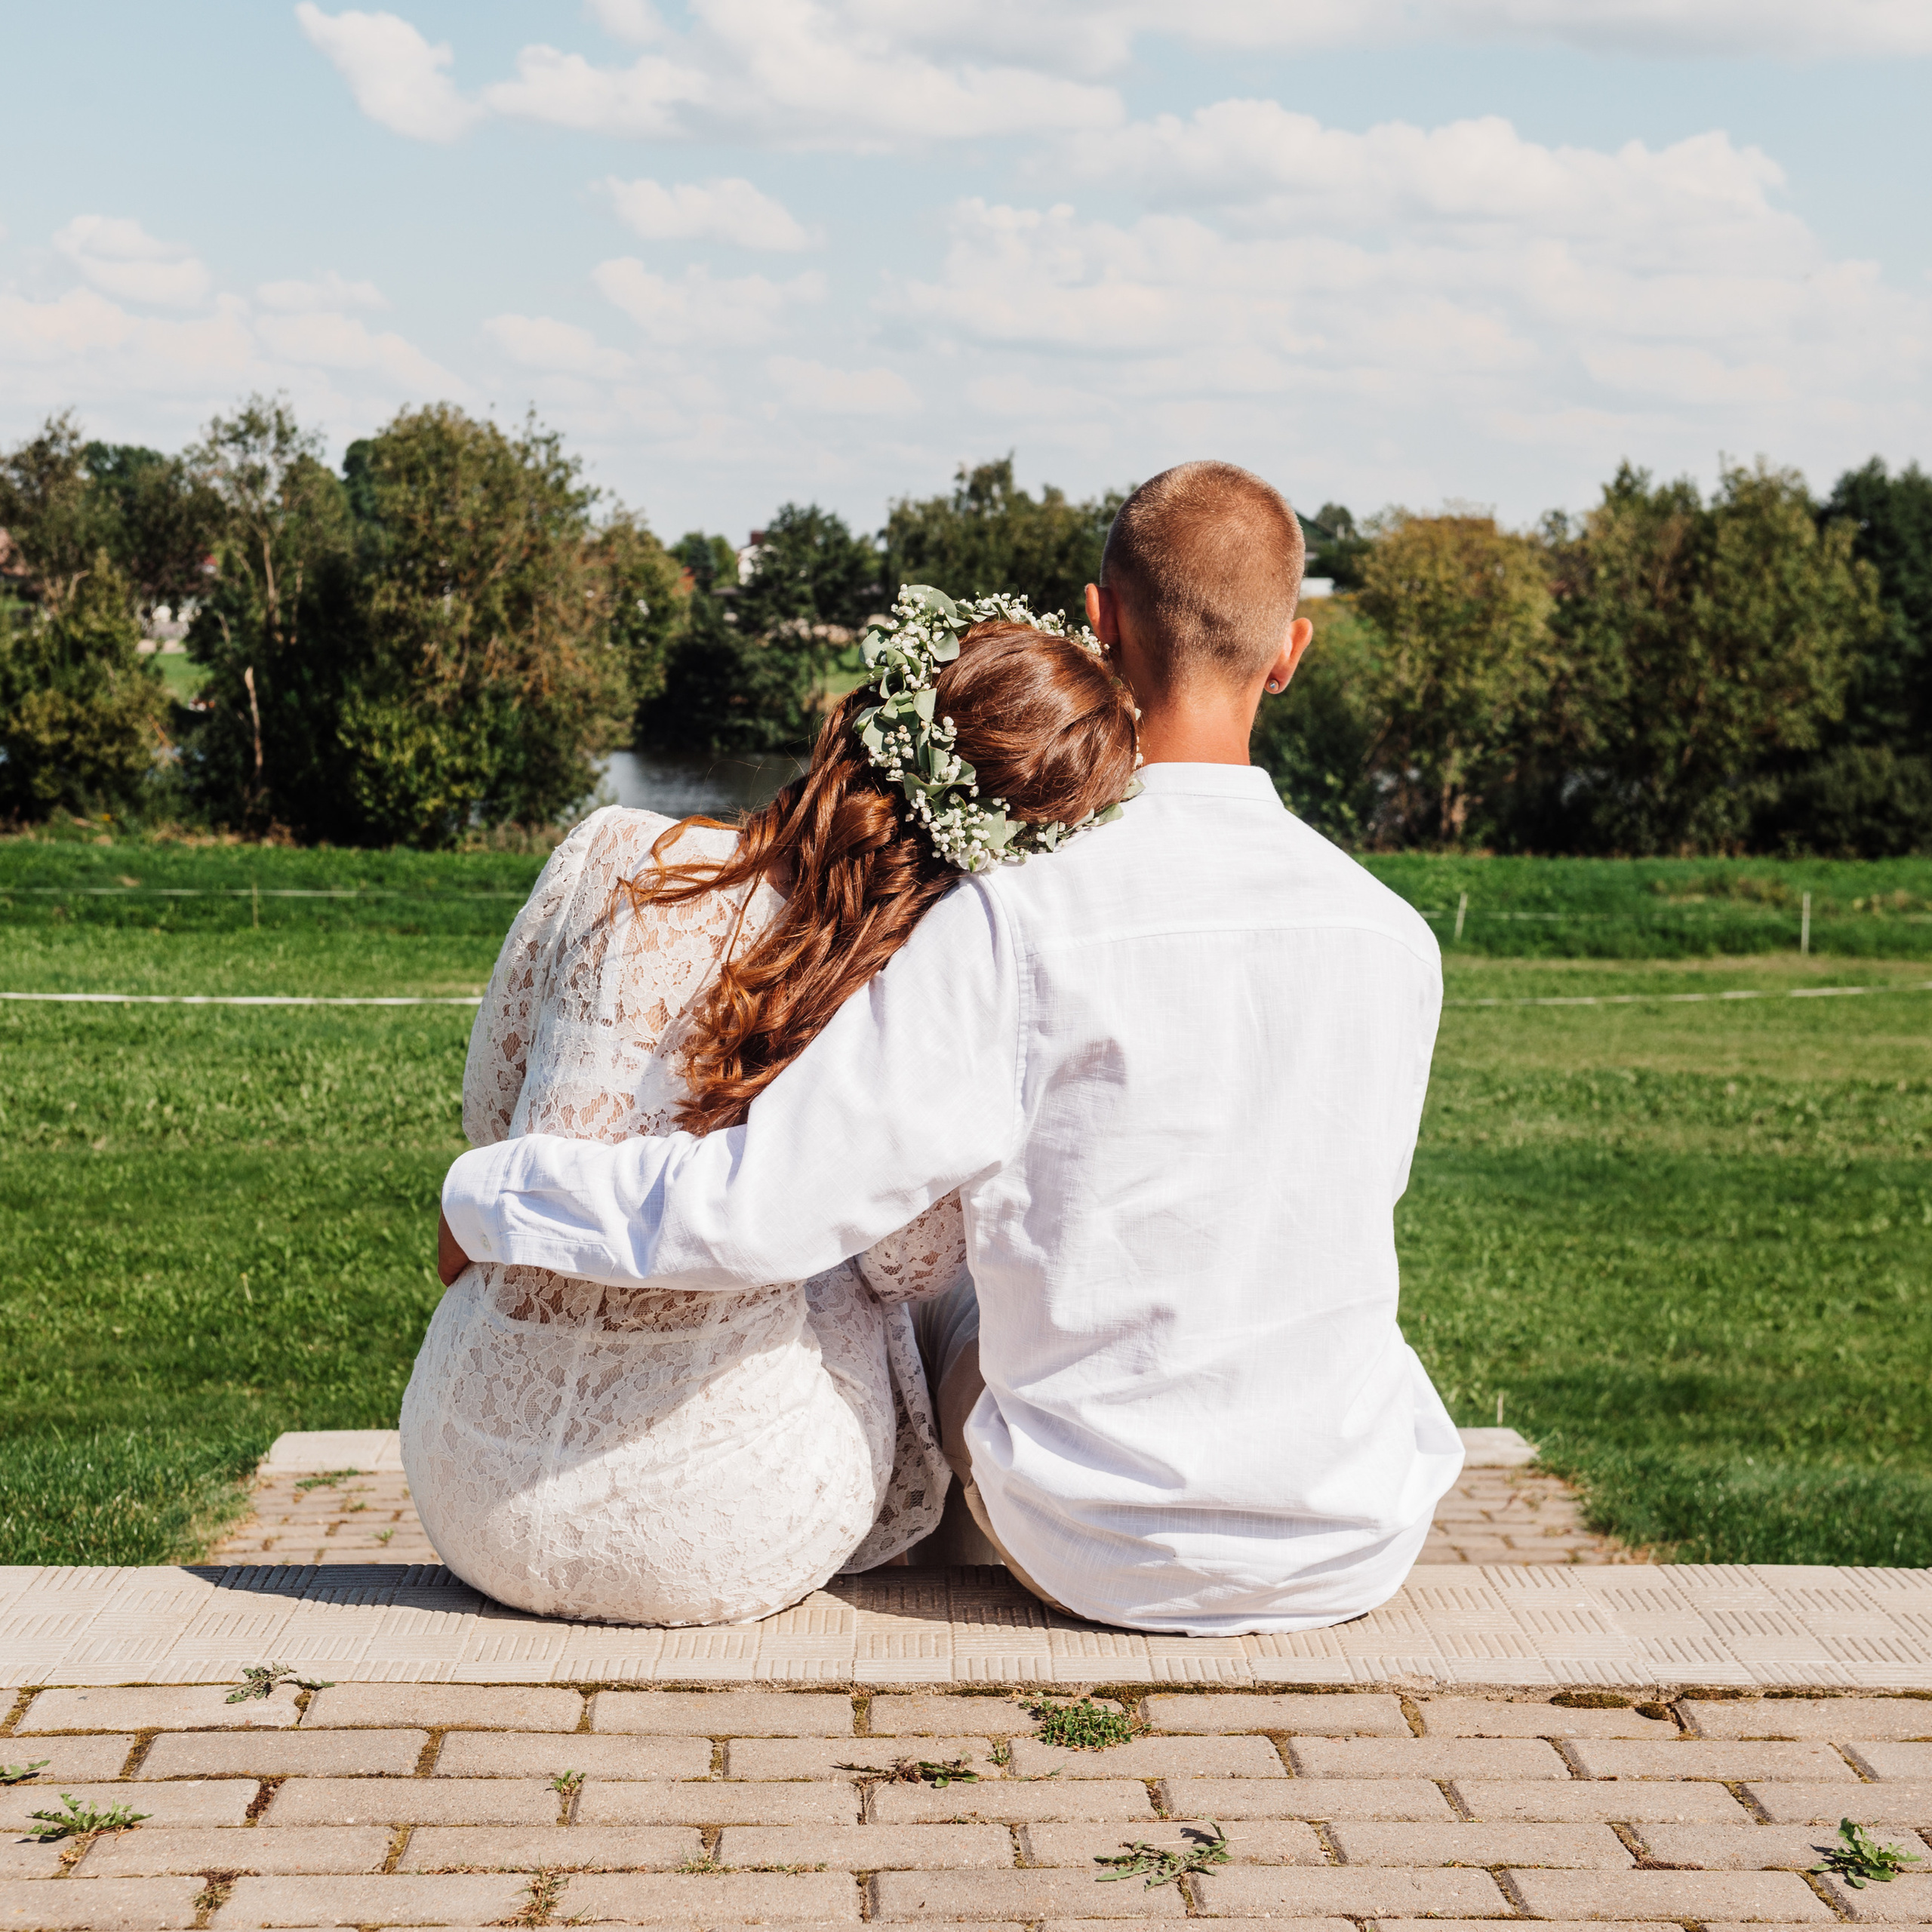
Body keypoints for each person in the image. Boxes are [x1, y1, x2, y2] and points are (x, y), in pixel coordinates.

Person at [441, 460, 1464, 1636]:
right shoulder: (1394, 937)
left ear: (1100, 621)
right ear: (1290, 655)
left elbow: (758, 1214)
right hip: (1353, 1536)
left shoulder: (1018, 914)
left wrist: (493, 1194)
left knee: (932, 1272)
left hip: (1101, 1547)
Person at [401, 605, 1141, 1625]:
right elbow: (904, 1265)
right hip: (711, 1520)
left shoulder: (610, 850)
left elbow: (497, 1119)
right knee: (927, 1294)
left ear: (856, 722)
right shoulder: (894, 993)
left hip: (466, 1472)